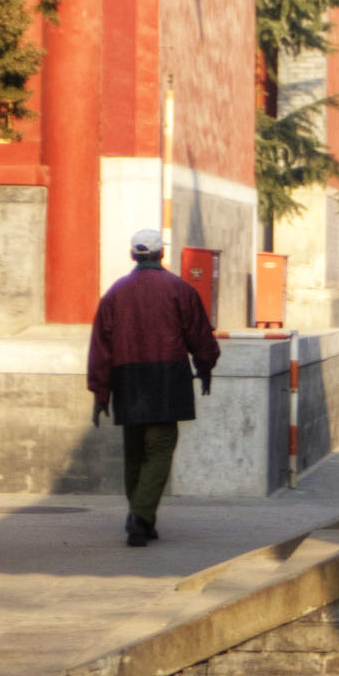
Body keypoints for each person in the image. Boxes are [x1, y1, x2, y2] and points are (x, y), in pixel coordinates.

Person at [87, 229, 218, 546]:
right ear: (161, 254)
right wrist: (204, 368)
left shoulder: (115, 294)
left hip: (127, 378)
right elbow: (199, 335)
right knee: (159, 448)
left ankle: (142, 518)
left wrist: (100, 392)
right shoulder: (179, 290)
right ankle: (140, 515)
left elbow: (101, 347)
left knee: (134, 451)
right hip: (166, 378)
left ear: (134, 255)